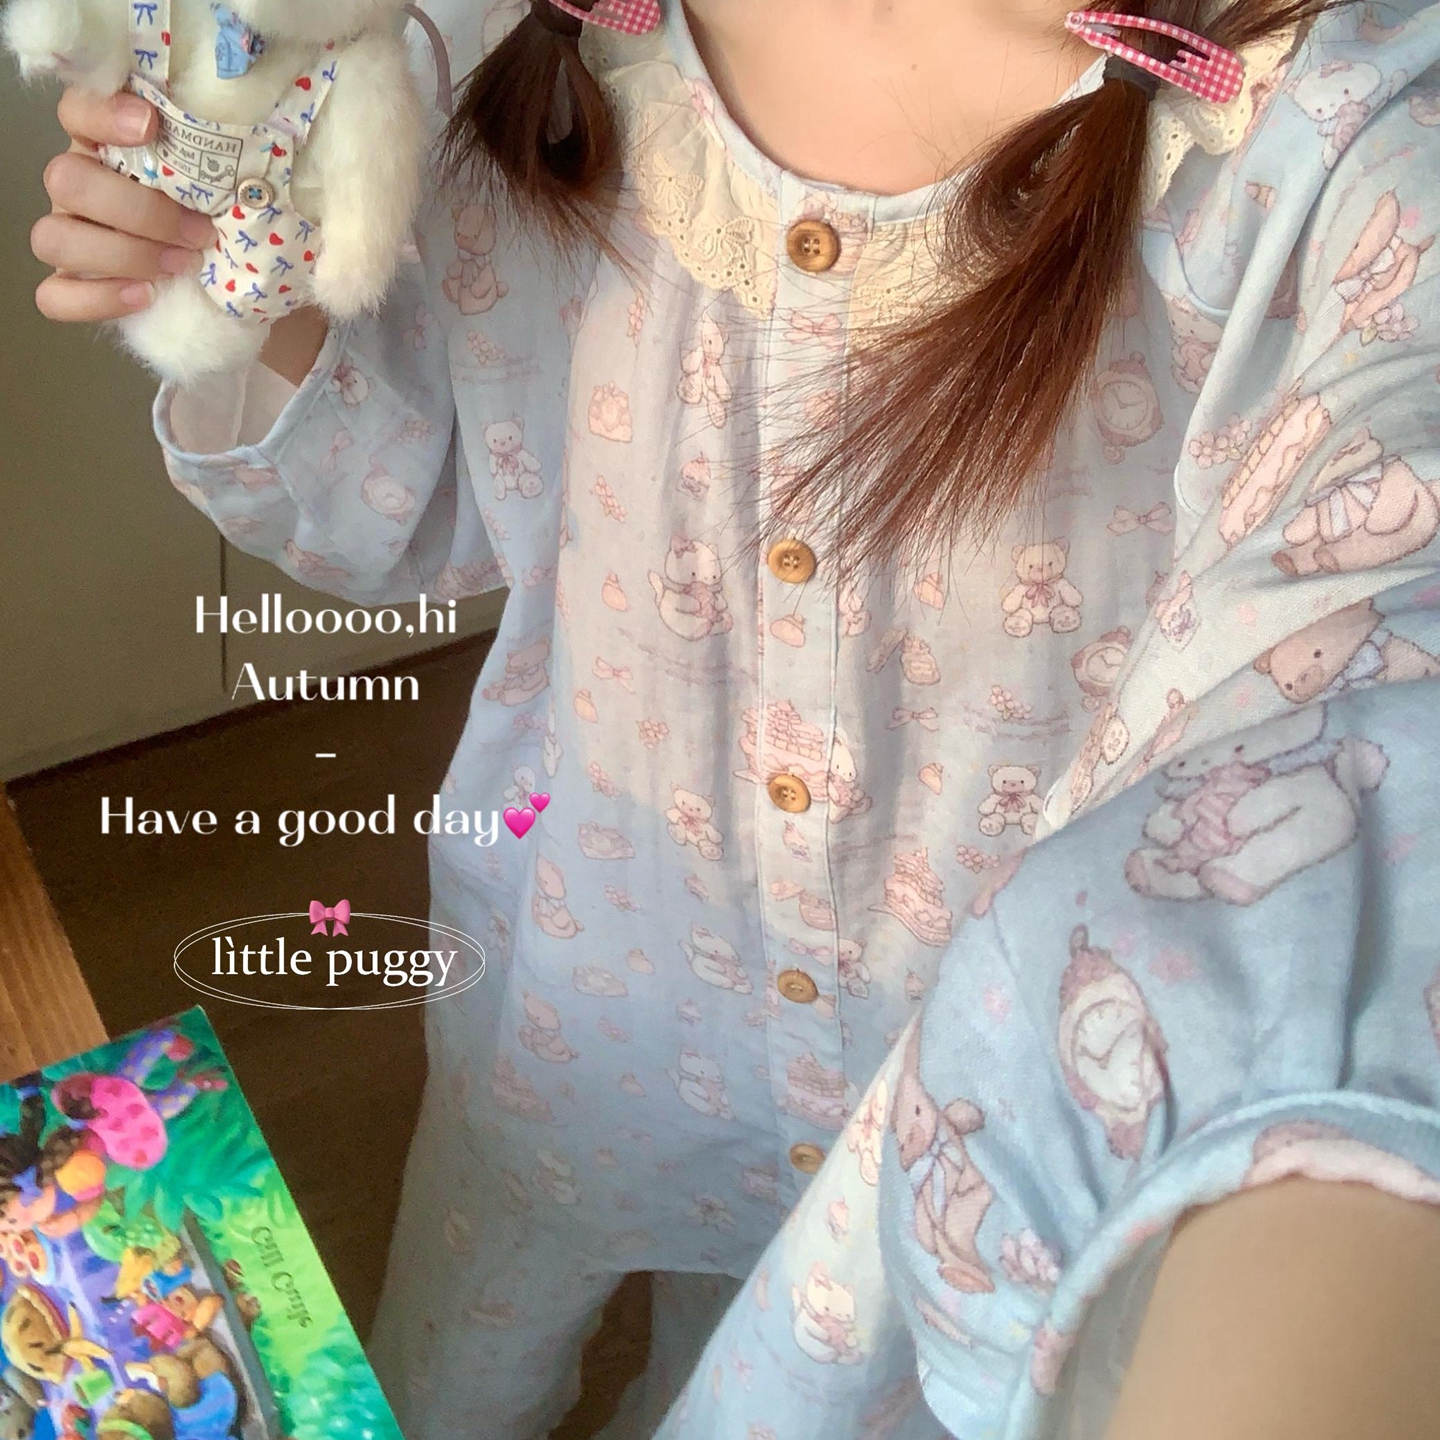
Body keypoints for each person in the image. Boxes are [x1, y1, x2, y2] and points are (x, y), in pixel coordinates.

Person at [21, 0, 1440, 1435]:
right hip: (577, 998)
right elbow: (409, 503)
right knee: (449, 1360)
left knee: (741, 1347)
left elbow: (1371, 710)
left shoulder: (1326, 136)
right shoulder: (526, 45)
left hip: (929, 1135)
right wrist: (249, 287)